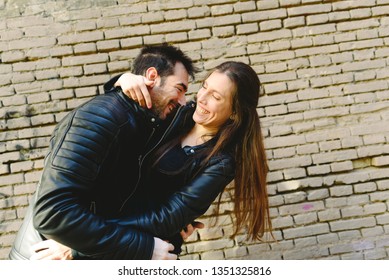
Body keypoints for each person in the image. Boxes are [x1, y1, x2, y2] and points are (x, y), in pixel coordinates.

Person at [28, 61, 273, 260]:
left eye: (216, 96)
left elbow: (166, 218)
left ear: (234, 111)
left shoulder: (221, 163)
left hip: (141, 248)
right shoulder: (179, 113)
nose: (202, 98)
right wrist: (122, 80)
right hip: (108, 233)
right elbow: (123, 120)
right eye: (204, 87)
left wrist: (77, 243)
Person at [9, 43, 198, 260]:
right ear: (152, 76)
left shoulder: (145, 124)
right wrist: (143, 247)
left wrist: (170, 233)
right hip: (43, 260)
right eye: (180, 88)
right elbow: (53, 213)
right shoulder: (100, 118)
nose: (183, 100)